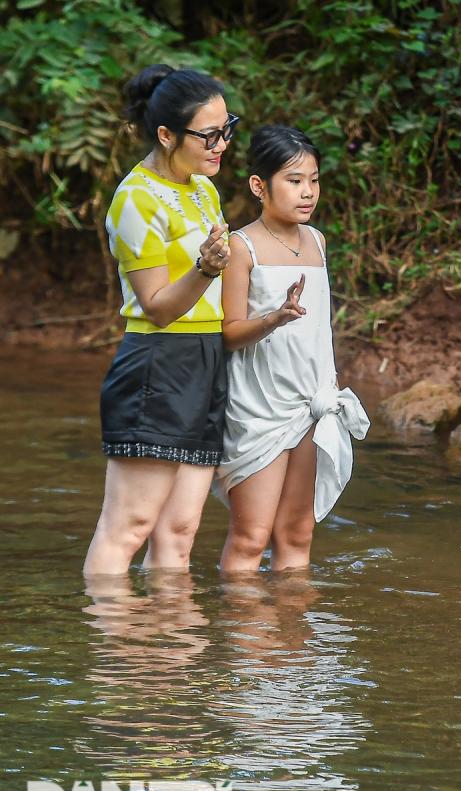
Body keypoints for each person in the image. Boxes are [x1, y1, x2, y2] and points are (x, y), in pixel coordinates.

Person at [84, 65, 238, 575]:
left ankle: (170, 653)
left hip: (206, 359)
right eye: (209, 135)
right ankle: (113, 650)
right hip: (158, 361)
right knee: (128, 526)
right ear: (167, 134)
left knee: (179, 532)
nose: (222, 144)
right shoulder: (136, 199)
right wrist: (204, 268)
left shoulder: (202, 189)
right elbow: (157, 306)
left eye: (227, 129)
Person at [216, 125, 369, 574]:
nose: (308, 192)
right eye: (294, 180)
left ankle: (292, 641)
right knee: (250, 537)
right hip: (258, 404)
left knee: (297, 534)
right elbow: (228, 332)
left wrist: (331, 381)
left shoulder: (317, 241)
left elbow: (319, 326)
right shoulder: (241, 247)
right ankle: (246, 641)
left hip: (310, 402)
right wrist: (274, 318)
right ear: (259, 185)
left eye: (314, 180)